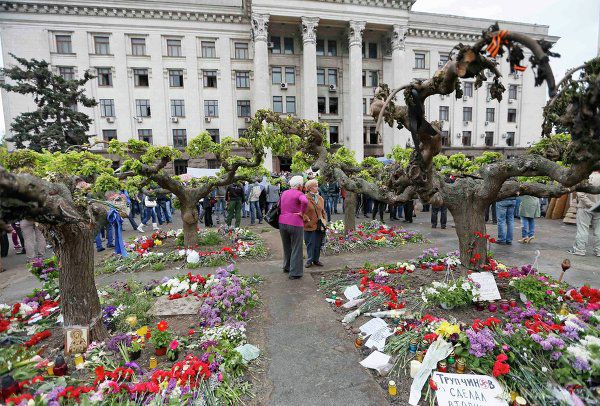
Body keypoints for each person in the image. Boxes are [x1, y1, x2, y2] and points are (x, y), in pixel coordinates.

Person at [279, 176, 308, 279]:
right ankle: (295, 272)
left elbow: (279, 205)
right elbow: (305, 201)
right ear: (300, 186)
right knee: (296, 247)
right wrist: (302, 212)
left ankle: (287, 267)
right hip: (295, 222)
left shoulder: (284, 193)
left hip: (282, 222)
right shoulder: (300, 193)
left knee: (286, 246)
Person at [568, 171, 600, 256]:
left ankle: (580, 250)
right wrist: (596, 205)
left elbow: (580, 194)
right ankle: (599, 251)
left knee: (583, 229)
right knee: (598, 230)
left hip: (584, 207)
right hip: (598, 208)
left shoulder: (585, 178)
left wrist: (591, 204)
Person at [303, 179, 327, 268]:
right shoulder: (305, 198)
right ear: (309, 188)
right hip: (309, 224)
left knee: (318, 243)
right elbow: (301, 211)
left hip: (320, 224)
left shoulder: (320, 198)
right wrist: (306, 219)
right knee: (310, 243)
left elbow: (323, 211)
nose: (317, 187)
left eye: (317, 185)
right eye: (315, 186)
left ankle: (316, 260)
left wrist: (325, 221)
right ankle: (309, 260)